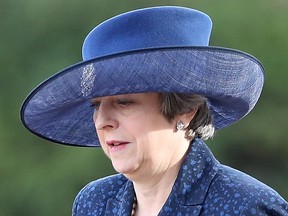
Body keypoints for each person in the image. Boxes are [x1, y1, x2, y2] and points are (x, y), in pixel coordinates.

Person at [20, 6, 288, 216]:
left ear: (186, 110)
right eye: (96, 105)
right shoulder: (94, 203)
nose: (101, 121)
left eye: (124, 102)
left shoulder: (245, 207)